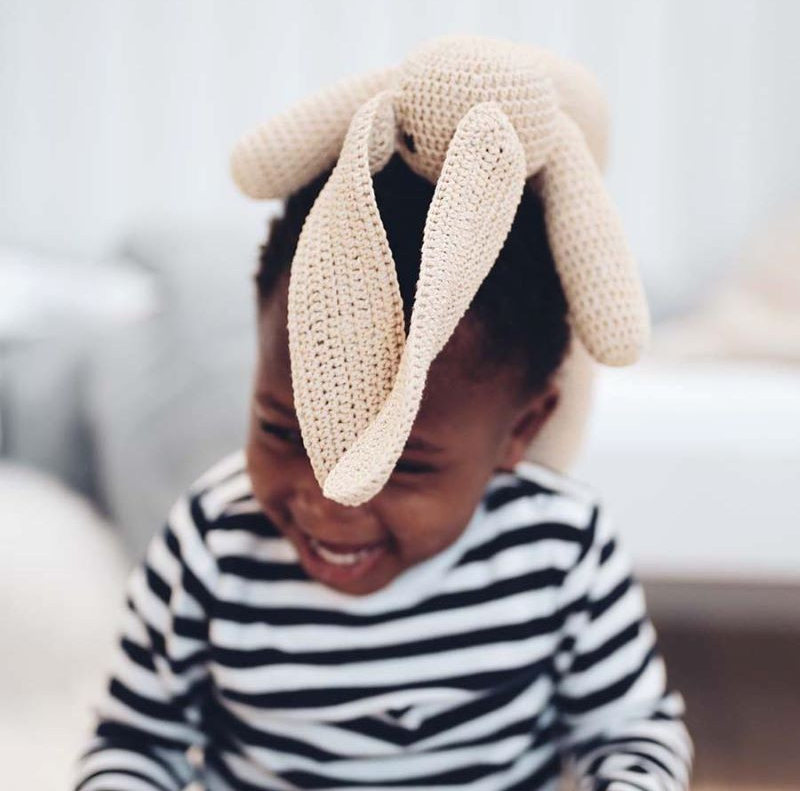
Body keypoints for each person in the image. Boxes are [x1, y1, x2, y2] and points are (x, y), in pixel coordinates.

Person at [71, 154, 692, 790]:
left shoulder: (560, 547)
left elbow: (630, 734)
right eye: (286, 432)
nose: (327, 501)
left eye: (399, 465)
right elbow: (135, 744)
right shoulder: (212, 540)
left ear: (521, 431)